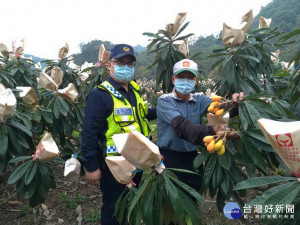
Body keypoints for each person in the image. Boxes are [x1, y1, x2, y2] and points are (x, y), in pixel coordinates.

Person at [81, 44, 157, 225]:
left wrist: (168, 107)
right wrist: (91, 167)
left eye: (129, 64)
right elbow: (89, 132)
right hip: (114, 164)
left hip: (137, 160)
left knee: (130, 203)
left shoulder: (134, 91)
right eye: (119, 63)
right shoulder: (100, 95)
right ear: (109, 65)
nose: (125, 67)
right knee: (114, 207)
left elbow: (143, 114)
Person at [157, 58, 243, 191]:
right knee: (171, 199)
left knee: (193, 193)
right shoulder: (165, 101)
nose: (186, 80)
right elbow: (182, 127)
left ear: (196, 80)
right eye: (181, 77)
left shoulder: (199, 99)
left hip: (193, 157)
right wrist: (213, 131)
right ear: (173, 79)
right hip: (169, 158)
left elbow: (220, 110)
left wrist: (235, 104)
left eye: (190, 77)